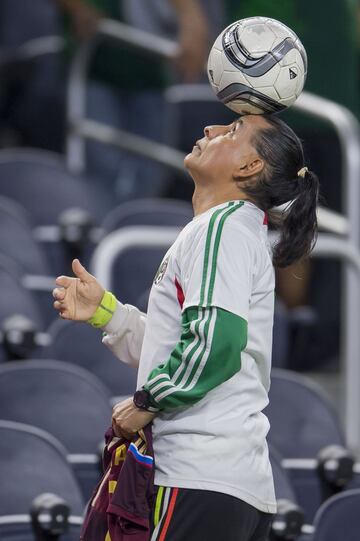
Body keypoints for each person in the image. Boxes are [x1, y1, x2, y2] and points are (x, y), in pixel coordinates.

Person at [53, 113, 319, 541]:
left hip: (195, 475)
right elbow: (185, 344)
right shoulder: (235, 229)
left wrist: (147, 401)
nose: (211, 130)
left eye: (232, 132)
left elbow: (216, 343)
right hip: (228, 485)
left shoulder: (222, 227)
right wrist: (108, 313)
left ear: (249, 168)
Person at [56, 0, 210, 200]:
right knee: (98, 170)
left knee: (153, 173)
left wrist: (191, 19)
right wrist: (76, 8)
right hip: (93, 65)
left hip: (151, 73)